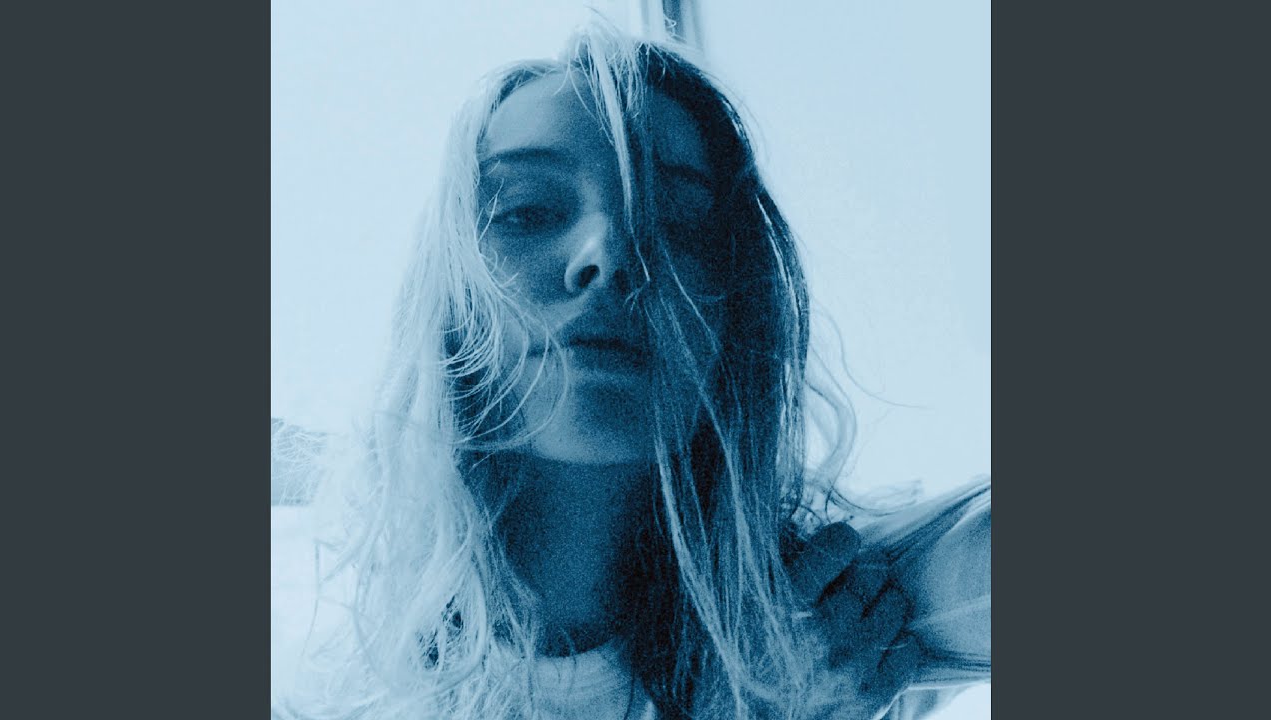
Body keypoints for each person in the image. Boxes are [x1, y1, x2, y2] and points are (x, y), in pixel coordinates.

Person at [273, 19, 989, 720]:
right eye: (527, 210)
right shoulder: (323, 681)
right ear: (448, 295)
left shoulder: (841, 611)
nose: (612, 254)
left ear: (737, 309)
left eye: (679, 221)